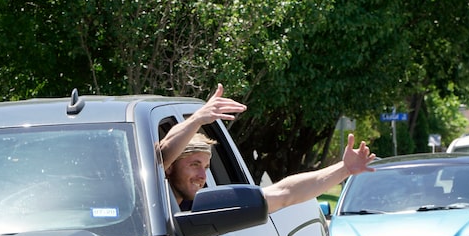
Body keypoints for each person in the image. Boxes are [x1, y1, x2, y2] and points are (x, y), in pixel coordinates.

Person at [159, 83, 375, 212]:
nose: (201, 176)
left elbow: (285, 193)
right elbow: (162, 155)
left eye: (206, 167)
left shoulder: (205, 208)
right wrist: (197, 119)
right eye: (194, 164)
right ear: (169, 168)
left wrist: (344, 169)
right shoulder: (149, 208)